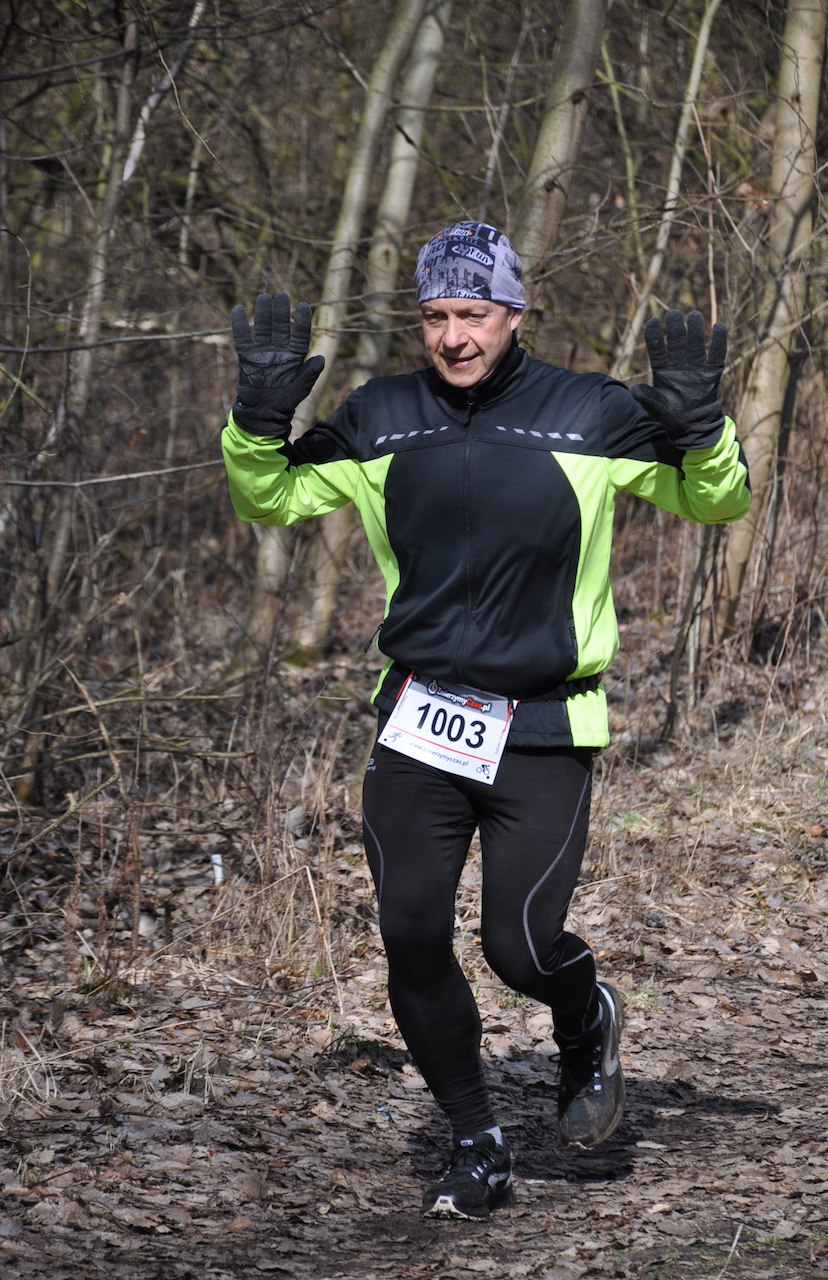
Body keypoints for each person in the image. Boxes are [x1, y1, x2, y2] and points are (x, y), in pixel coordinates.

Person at [221, 221, 750, 1220]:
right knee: (411, 932)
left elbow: (714, 504)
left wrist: (702, 428)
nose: (454, 336)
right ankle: (477, 1139)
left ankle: (584, 1014)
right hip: (421, 719)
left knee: (521, 947)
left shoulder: (589, 410)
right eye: (435, 316)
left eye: (473, 313)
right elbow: (271, 499)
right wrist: (255, 421)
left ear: (513, 314)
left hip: (545, 725)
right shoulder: (381, 415)